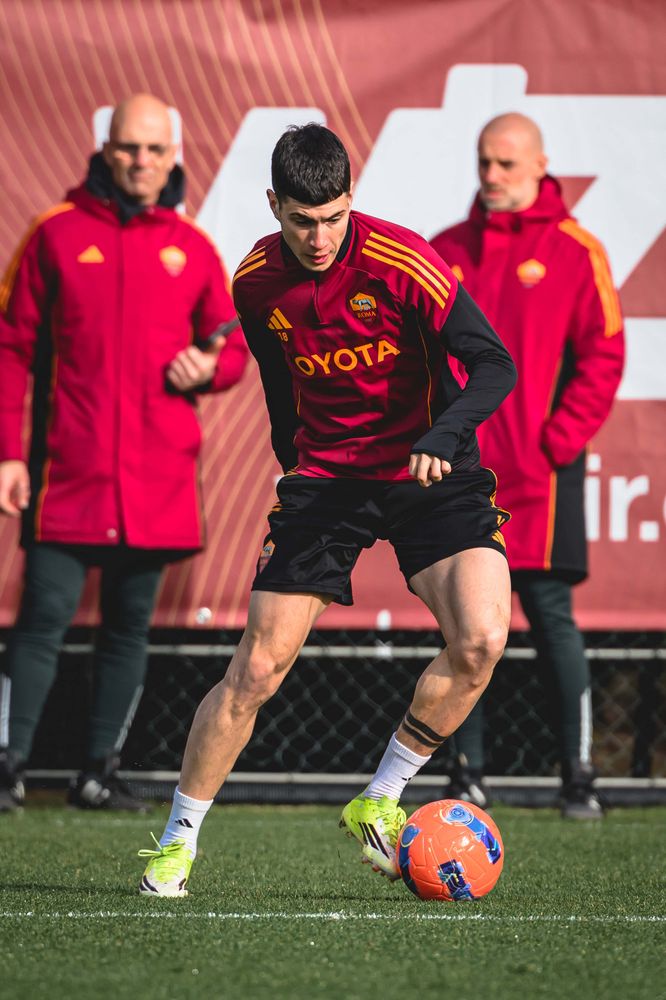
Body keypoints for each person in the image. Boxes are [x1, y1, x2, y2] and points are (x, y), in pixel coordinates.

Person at [137, 122, 517, 896]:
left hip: (428, 471)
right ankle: (177, 842)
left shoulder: (404, 260)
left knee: (481, 640)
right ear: (274, 204)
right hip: (329, 484)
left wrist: (444, 433)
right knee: (258, 668)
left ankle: (378, 797)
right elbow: (282, 397)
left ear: (352, 200)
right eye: (302, 221)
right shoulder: (254, 283)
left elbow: (492, 363)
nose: (319, 238)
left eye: (334, 218)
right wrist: (297, 474)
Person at [0, 94, 248, 812]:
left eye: (153, 149)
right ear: (105, 149)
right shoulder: (54, 234)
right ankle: (8, 765)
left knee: (127, 628)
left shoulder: (194, 247)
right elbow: (11, 349)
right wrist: (9, 455)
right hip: (66, 475)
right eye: (127, 148)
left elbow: (231, 349)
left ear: (174, 155)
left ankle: (97, 773)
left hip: (155, 480)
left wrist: (211, 368)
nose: (140, 162)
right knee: (41, 621)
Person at [430, 113, 625, 819]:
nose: (492, 176)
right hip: (463, 477)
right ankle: (464, 775)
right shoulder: (445, 250)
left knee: (549, 619)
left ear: (541, 166)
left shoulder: (575, 251)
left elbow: (604, 354)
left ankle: (577, 776)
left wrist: (558, 442)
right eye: (484, 162)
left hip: (541, 478)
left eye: (506, 164)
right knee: (464, 628)